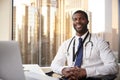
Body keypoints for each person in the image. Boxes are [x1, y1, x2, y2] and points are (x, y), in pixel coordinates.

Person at [50, 10, 119, 80]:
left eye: (81, 19)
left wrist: (86, 72)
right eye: (75, 19)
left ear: (87, 21)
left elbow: (113, 67)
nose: (78, 21)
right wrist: (63, 70)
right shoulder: (66, 44)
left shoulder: (99, 42)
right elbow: (54, 65)